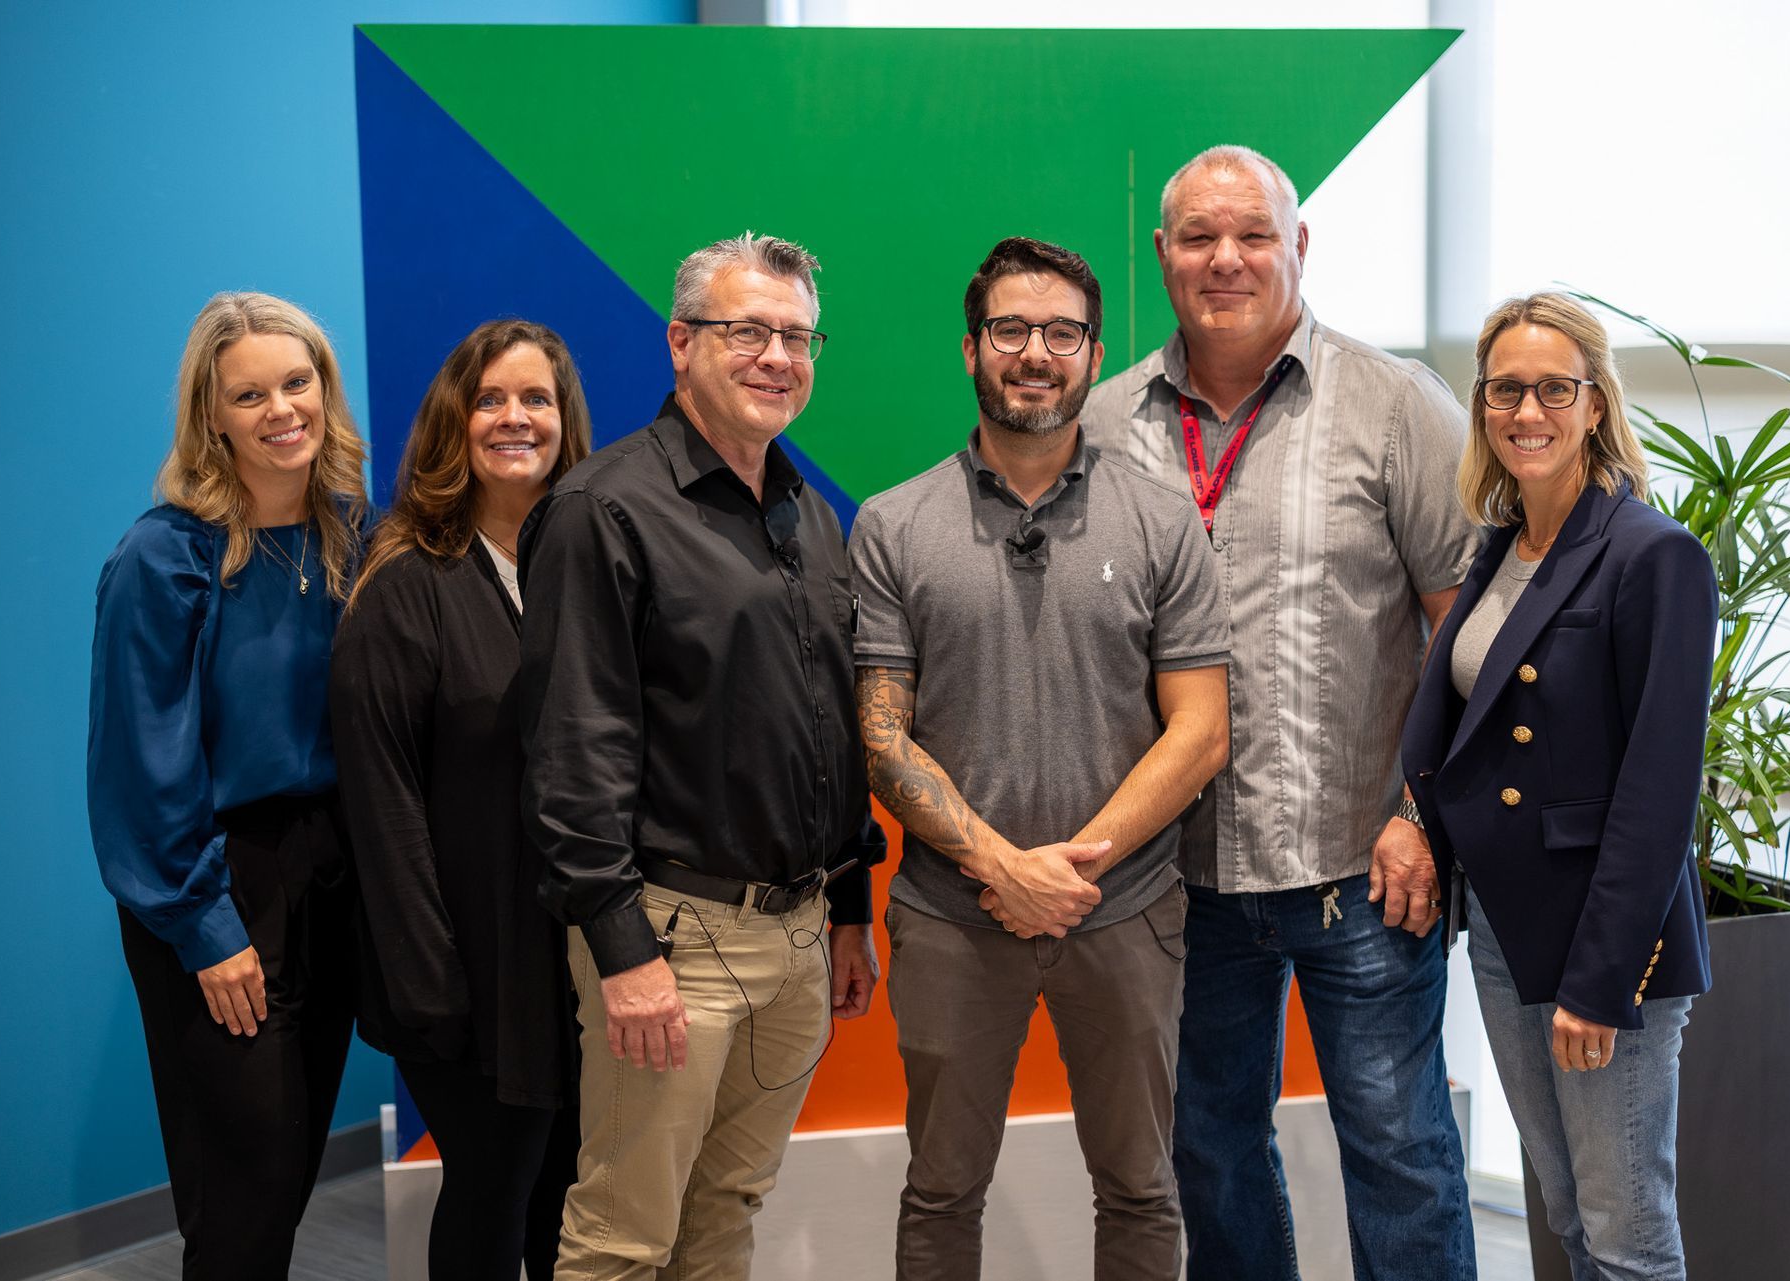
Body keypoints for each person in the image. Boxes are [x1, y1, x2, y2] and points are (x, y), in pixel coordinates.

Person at [1080, 144, 1480, 1278]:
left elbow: (1469, 641)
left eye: (1253, 234)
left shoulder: (1396, 405)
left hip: (1366, 866)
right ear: (1161, 254)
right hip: (1178, 880)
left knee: (1401, 1155)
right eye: (1199, 237)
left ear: (1297, 245)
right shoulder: (1104, 424)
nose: (1227, 259)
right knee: (1210, 1153)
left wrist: (1425, 815)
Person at [852, 236, 1231, 1280]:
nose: (1034, 353)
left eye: (1062, 333)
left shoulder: (1163, 523)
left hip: (1126, 911)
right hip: (952, 917)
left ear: (1094, 355)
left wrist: (1071, 870)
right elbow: (881, 735)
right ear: (970, 348)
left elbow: (1201, 729)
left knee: (1142, 1189)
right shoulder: (893, 524)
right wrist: (1002, 867)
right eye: (1010, 330)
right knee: (941, 1192)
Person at [517, 232, 885, 1281]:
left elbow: (827, 724)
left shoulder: (808, 516)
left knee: (727, 1210)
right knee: (623, 1237)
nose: (778, 357)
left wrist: (848, 909)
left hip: (799, 936)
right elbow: (572, 750)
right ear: (681, 343)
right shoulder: (602, 509)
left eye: (798, 338)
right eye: (748, 331)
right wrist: (624, 951)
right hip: (671, 940)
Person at [1401, 292, 1715, 1279]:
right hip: (1505, 928)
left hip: (1600, 937)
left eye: (1552, 389)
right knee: (1570, 1215)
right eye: (1505, 391)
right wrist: (1412, 819)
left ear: (1595, 403)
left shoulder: (1653, 555)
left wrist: (1602, 978)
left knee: (1628, 1235)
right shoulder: (1500, 545)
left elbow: (1658, 791)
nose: (1526, 412)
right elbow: (1464, 731)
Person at [87, 291, 369, 1279]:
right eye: (250, 395)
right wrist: (205, 927)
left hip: (331, 869)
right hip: (217, 880)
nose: (281, 409)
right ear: (211, 415)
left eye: (298, 382)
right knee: (243, 1192)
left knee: (286, 1175)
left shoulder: (354, 535)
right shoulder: (162, 559)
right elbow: (141, 766)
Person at [330, 319, 591, 1279]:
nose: (514, 417)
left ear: (566, 422)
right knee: (492, 1191)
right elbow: (382, 800)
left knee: (567, 1196)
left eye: (536, 399)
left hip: (575, 960)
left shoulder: (586, 567)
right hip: (462, 974)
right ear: (455, 420)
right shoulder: (405, 581)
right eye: (490, 399)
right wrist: (430, 982)